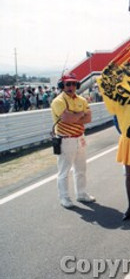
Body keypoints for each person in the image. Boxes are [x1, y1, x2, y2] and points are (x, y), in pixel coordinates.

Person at [51, 73, 95, 208]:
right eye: (68, 84)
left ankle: (81, 194)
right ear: (62, 86)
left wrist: (75, 115)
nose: (71, 87)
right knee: (64, 171)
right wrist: (81, 114)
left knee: (81, 169)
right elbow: (67, 119)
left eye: (74, 84)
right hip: (65, 140)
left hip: (80, 138)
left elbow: (88, 119)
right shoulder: (58, 101)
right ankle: (64, 197)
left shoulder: (82, 100)